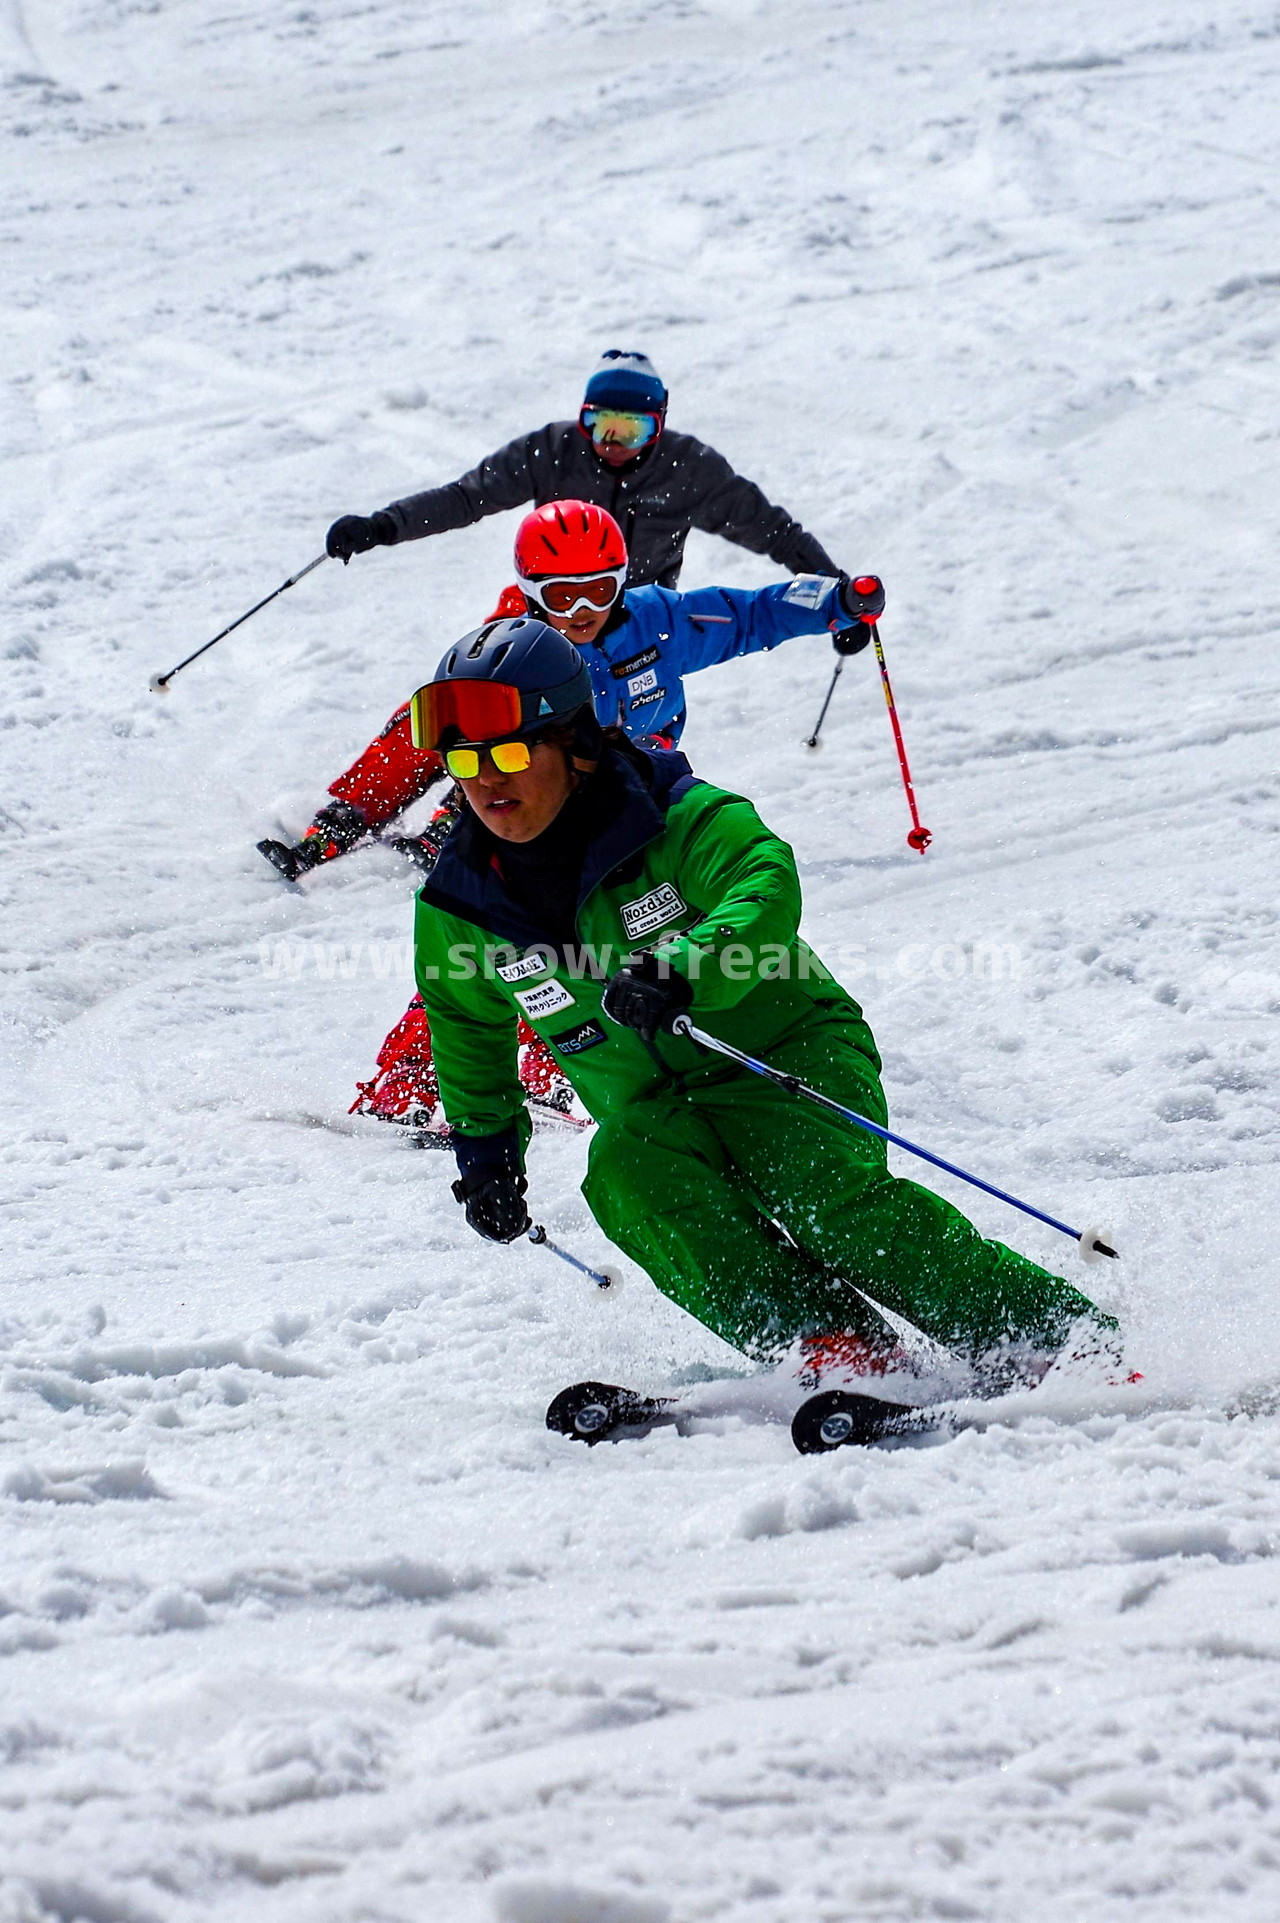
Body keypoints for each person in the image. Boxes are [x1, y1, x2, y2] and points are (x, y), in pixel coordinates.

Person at [410, 618, 1119, 1382]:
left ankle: (1054, 1337)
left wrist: (683, 967)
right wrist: (486, 1155)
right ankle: (827, 1343)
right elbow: (465, 1024)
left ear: (575, 747)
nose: (485, 781)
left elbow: (765, 882)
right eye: (464, 759)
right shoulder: (463, 903)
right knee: (623, 1172)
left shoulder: (675, 818)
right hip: (657, 1105)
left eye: (510, 753)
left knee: (820, 1190)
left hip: (783, 1050)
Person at [266, 501, 883, 1134]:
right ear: (530, 590)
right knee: (501, 951)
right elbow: (424, 733)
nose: (582, 609)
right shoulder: (514, 658)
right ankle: (409, 1089)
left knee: (619, 955)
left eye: (599, 589)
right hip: (528, 813)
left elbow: (750, 614)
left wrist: (837, 603)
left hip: (632, 822)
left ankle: (557, 1075)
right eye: (562, 594)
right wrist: (351, 810)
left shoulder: (657, 622)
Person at [324, 349, 844, 590]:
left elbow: (773, 531)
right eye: (600, 426)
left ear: (658, 427)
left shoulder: (690, 470)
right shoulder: (551, 450)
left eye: (631, 430)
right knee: (473, 690)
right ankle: (362, 804)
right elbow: (465, 499)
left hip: (640, 616)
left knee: (604, 739)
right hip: (545, 602)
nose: (613, 444)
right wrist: (382, 526)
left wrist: (834, 587)